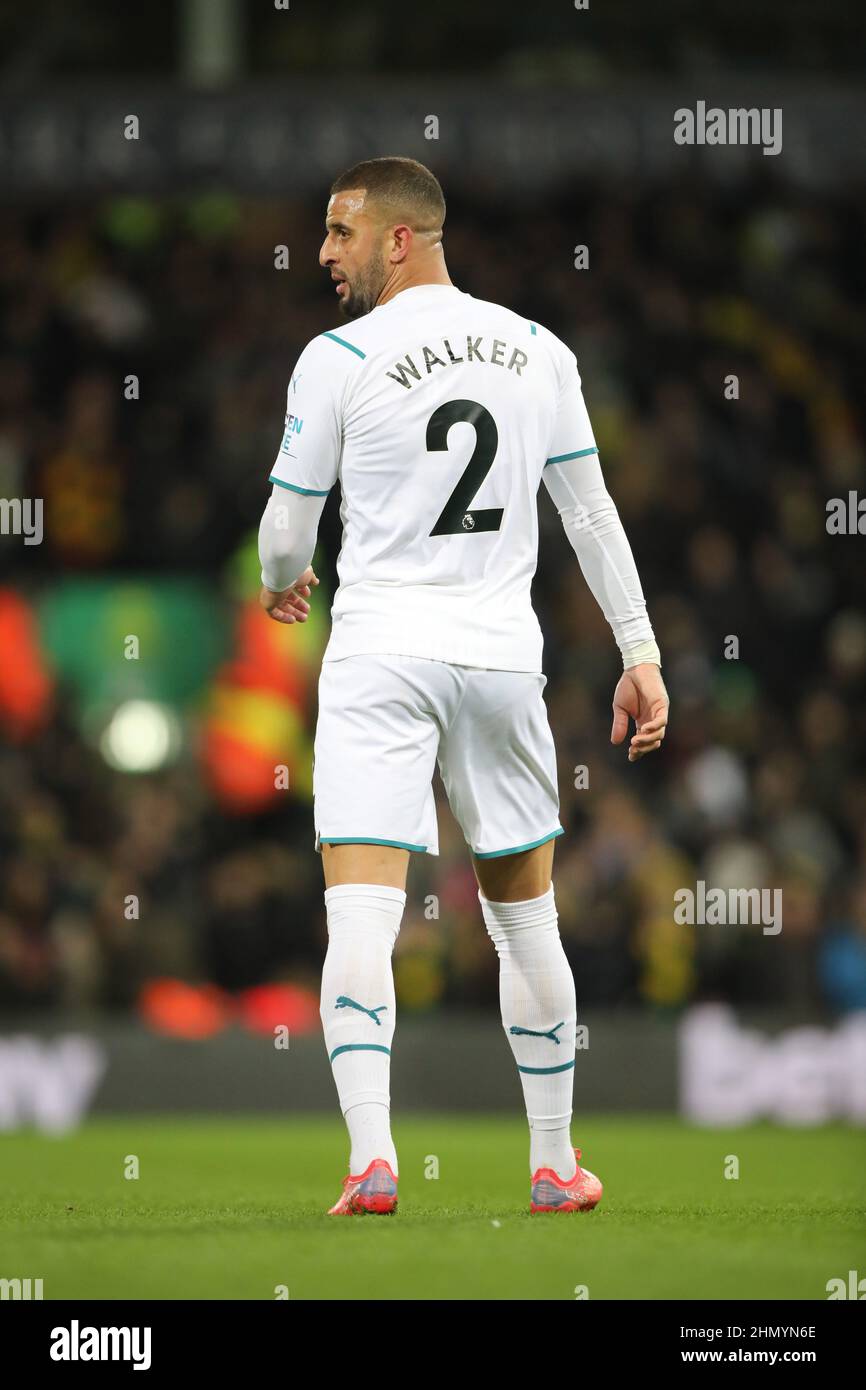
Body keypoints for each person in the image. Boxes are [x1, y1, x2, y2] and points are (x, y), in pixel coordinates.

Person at [257, 156, 669, 1215]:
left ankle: (369, 1158)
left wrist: (281, 579)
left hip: (381, 652)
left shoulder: (336, 356)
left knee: (359, 912)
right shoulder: (538, 350)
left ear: (401, 237)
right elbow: (589, 514)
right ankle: (551, 1161)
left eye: (340, 230)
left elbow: (284, 533)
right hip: (498, 662)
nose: (323, 252)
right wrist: (640, 652)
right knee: (526, 920)